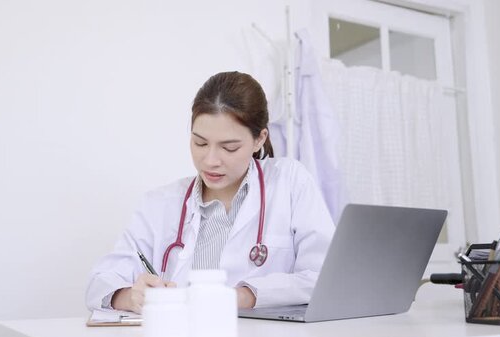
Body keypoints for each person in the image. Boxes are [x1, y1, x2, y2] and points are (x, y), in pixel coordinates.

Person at [85, 71, 334, 313]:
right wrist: (130, 296)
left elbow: (325, 277)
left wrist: (242, 296)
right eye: (200, 143)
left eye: (229, 147)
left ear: (259, 139)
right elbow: (99, 283)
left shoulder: (289, 183)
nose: (210, 160)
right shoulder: (160, 204)